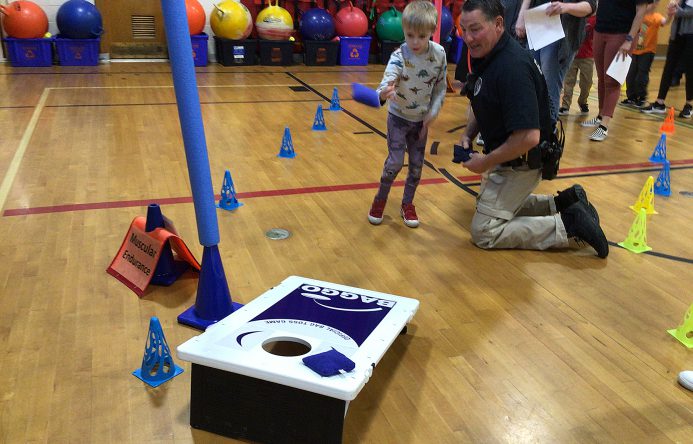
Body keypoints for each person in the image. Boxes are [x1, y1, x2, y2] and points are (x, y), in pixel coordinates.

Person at [456, 0, 609, 257]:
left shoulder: (511, 68)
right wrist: (467, 134)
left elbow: (528, 137)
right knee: (486, 204)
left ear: (498, 24)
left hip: (524, 161)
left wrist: (486, 161)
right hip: (509, 156)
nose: (469, 38)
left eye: (475, 29)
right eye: (464, 30)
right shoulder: (488, 54)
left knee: (484, 231)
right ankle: (565, 202)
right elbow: (480, 96)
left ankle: (568, 226)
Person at [367, 0, 448, 228]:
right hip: (398, 119)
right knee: (394, 163)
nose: (415, 41)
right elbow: (382, 86)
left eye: (421, 37)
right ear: (404, 30)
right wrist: (384, 92)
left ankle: (407, 203)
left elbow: (440, 87)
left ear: (432, 32)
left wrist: (434, 111)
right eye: (410, 35)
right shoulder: (399, 56)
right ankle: (380, 200)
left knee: (415, 166)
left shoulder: (439, 54)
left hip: (420, 122)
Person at [515, 0, 597, 122]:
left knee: (550, 85)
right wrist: (521, 16)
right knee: (529, 81)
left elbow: (591, 6)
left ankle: (549, 131)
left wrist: (566, 7)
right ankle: (530, 127)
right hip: (536, 24)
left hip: (561, 33)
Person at [581, 0, 648, 141]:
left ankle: (604, 126)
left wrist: (629, 39)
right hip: (600, 30)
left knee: (612, 80)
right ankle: (600, 116)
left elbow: (641, 11)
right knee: (601, 77)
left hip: (622, 34)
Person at [640, 0, 693, 118]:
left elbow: (683, 12)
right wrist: (672, 5)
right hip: (676, 35)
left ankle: (689, 104)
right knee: (668, 67)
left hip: (691, 36)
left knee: (690, 71)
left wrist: (677, 11)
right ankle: (659, 102)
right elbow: (675, 6)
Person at [621, 0, 672, 108]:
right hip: (634, 51)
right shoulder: (637, 15)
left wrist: (670, 15)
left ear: (655, 5)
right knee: (630, 75)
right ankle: (631, 97)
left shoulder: (656, 17)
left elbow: (665, 21)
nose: (648, 6)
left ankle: (642, 97)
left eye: (651, 3)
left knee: (642, 75)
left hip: (647, 52)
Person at [559, 14, 597, 116]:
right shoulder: (574, 16)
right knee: (569, 82)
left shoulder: (595, 19)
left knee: (587, 83)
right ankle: (565, 105)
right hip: (572, 54)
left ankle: (583, 102)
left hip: (587, 56)